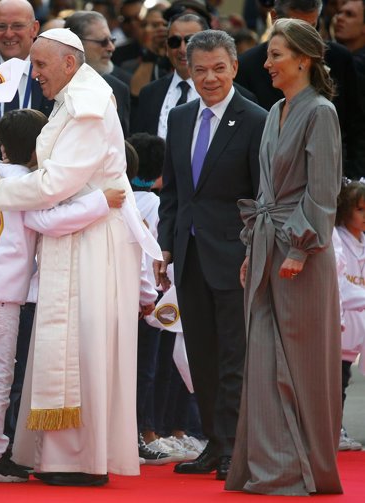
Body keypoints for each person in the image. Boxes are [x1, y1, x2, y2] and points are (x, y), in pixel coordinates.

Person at [0, 28, 152, 487]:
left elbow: (56, 182)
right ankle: (62, 457)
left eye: (41, 65)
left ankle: (82, 458)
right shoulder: (76, 97)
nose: (35, 75)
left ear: (69, 64)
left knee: (83, 343)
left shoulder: (86, 106)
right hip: (78, 227)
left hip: (91, 236)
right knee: (69, 343)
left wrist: (4, 190)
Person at [226, 18, 343, 495]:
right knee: (262, 356)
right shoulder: (276, 109)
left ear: (304, 58)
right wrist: (253, 247)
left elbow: (324, 189)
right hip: (268, 245)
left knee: (300, 360)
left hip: (302, 253)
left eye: (275, 55)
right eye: (268, 55)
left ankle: (302, 470)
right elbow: (264, 191)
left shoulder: (320, 112)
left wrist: (299, 247)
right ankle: (268, 466)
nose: (267, 63)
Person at [155, 29, 267, 480]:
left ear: (234, 67)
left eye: (219, 68)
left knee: (233, 357)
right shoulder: (180, 119)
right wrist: (165, 245)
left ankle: (234, 449)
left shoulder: (258, 119)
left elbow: (263, 196)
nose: (210, 78)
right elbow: (174, 193)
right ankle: (212, 444)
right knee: (199, 353)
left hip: (236, 257)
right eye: (200, 69)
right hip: (189, 252)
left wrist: (254, 250)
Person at [235, 0, 365, 178]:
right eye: (294, 29)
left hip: (332, 185)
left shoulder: (339, 59)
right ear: (274, 18)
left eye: (311, 27)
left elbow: (356, 128)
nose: (303, 40)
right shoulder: (247, 67)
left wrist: (351, 180)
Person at [333, 180, 365, 452]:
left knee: (345, 380)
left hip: (359, 327)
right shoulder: (338, 240)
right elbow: (341, 285)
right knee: (337, 381)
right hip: (341, 326)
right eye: (361, 210)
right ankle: (335, 428)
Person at [64, 10, 131, 135]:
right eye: (103, 42)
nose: (111, 47)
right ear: (76, 43)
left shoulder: (119, 89)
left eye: (112, 40)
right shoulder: (51, 84)